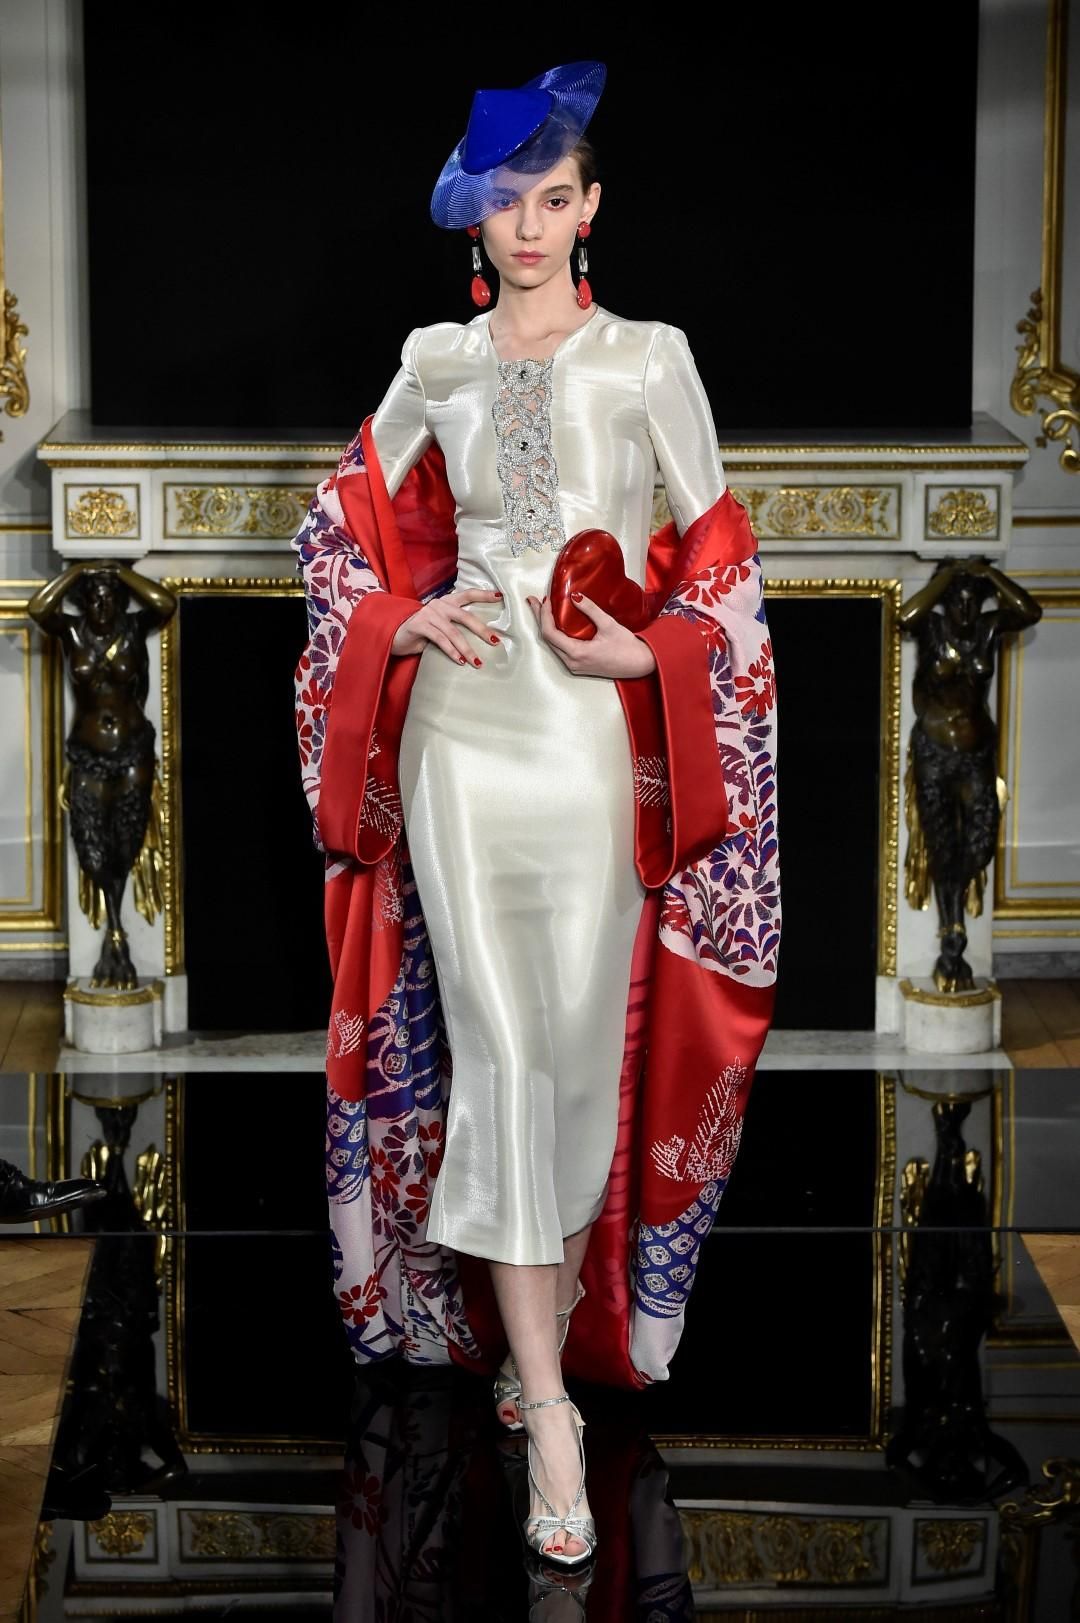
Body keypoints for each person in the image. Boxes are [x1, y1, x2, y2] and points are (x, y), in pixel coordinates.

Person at [292, 61, 781, 1570]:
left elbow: (723, 563)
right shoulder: (434, 361)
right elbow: (335, 528)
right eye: (505, 199)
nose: (527, 224)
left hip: (586, 747)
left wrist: (656, 656)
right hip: (464, 741)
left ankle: (544, 1334)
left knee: (573, 1059)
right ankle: (553, 1413)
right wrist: (398, 620)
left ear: (591, 210)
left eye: (553, 197)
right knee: (501, 1050)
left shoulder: (651, 358)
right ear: (476, 214)